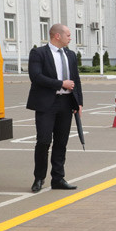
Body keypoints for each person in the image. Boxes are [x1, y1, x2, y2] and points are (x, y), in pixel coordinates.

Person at [26, 24, 82, 193]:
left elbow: (76, 80)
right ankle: (39, 178)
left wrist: (78, 102)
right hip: (46, 104)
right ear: (57, 36)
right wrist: (60, 84)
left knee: (61, 142)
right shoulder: (38, 53)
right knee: (43, 141)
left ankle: (58, 178)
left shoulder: (70, 55)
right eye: (68, 35)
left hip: (66, 103)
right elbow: (35, 77)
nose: (70, 38)